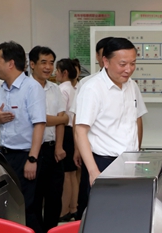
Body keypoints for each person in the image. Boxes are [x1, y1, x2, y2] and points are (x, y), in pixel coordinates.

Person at [0, 41, 54, 233]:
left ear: (10, 63)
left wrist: (32, 158)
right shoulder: (0, 88)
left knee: (27, 209)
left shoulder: (31, 88)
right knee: (11, 209)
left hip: (26, 156)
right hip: (6, 156)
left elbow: (39, 124)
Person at [73, 37, 147, 191]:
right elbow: (80, 131)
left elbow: (134, 121)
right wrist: (93, 171)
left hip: (129, 161)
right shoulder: (92, 89)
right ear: (106, 62)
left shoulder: (132, 85)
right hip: (103, 163)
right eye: (123, 64)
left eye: (133, 63)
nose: (129, 69)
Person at [71, 36, 114, 220]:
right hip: (96, 154)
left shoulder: (130, 85)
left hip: (122, 157)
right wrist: (77, 149)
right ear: (99, 57)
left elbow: (136, 121)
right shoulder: (88, 84)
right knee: (91, 202)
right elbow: (78, 120)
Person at [29, 46, 68, 233]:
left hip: (53, 149)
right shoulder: (27, 88)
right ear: (32, 64)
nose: (48, 67)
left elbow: (63, 119)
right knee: (35, 198)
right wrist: (59, 119)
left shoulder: (55, 89)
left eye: (51, 63)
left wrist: (59, 146)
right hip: (33, 151)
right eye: (43, 62)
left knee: (54, 196)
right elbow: (38, 119)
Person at [56, 58, 79, 222]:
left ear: (64, 72)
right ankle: (73, 208)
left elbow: (61, 116)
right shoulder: (73, 88)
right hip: (72, 132)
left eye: (57, 70)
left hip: (64, 132)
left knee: (66, 175)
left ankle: (63, 211)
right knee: (72, 174)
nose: (54, 73)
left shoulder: (62, 90)